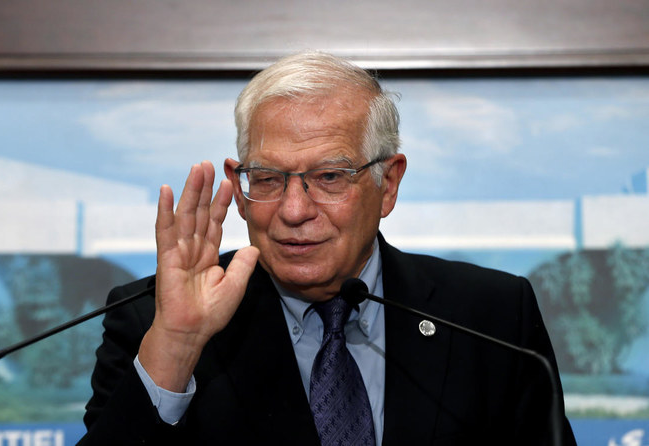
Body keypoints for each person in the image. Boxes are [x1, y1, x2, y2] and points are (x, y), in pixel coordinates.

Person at [79, 51, 577, 445]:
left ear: (388, 184)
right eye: (268, 178)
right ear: (238, 183)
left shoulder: (489, 317)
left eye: (330, 177)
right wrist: (178, 346)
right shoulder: (155, 319)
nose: (294, 210)